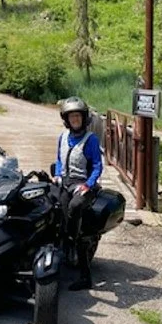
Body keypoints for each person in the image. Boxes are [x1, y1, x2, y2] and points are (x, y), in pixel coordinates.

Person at [53, 96, 103, 291]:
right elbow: (58, 159)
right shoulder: (62, 138)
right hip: (65, 182)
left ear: (84, 118)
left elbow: (97, 166)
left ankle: (83, 270)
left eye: (78, 117)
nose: (75, 120)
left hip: (83, 184)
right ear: (66, 119)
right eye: (71, 117)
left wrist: (88, 185)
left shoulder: (90, 140)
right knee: (49, 206)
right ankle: (59, 246)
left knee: (75, 208)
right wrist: (57, 174)